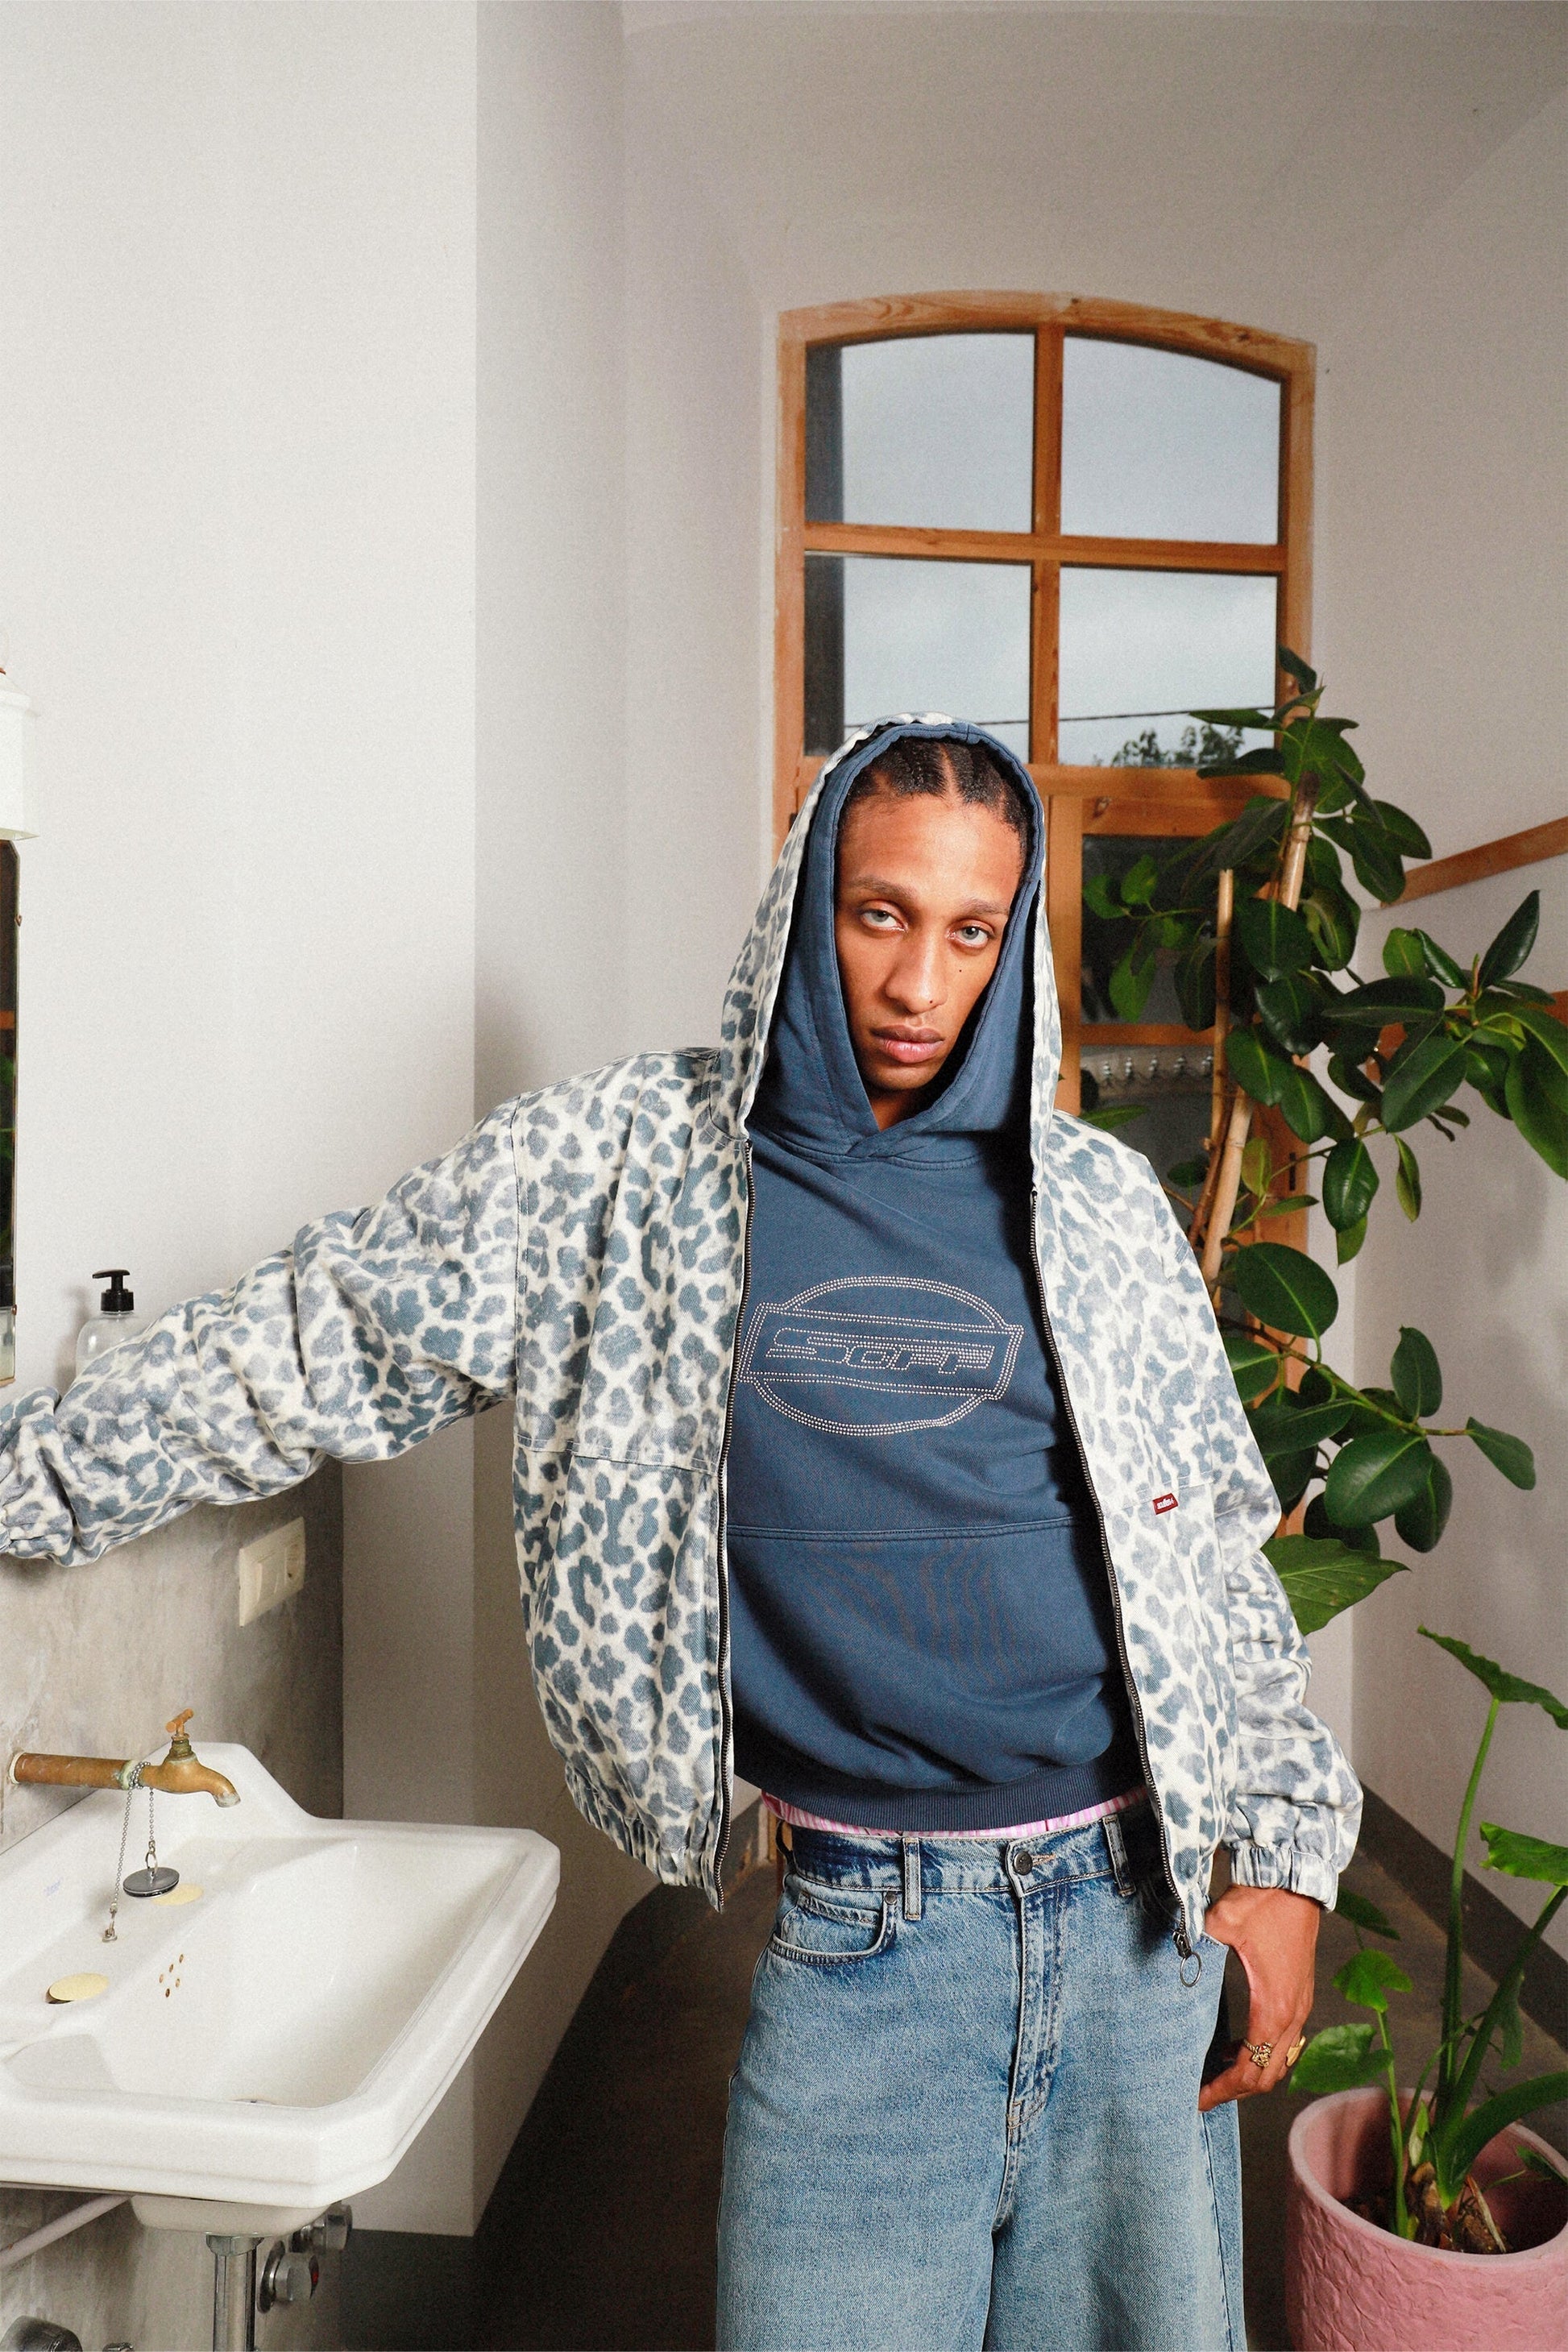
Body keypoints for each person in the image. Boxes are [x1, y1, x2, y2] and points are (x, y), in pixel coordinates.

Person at [0, 718, 1359, 2350]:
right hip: (864, 1943)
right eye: (878, 913)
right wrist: (36, 1475)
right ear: (804, 900)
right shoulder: (615, 1167)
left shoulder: (1094, 1203)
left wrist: (1286, 1866)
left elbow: (1208, 1542)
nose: (917, 982)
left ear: (1015, 949)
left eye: (969, 931)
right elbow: (322, 1332)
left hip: (1134, 1918)